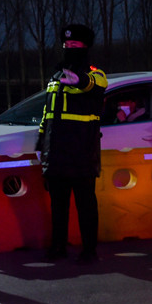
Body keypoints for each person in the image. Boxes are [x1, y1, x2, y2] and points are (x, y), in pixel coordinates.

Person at [36, 23, 108, 264]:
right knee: (58, 206)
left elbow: (93, 85)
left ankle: (89, 250)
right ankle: (58, 246)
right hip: (56, 151)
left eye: (74, 45)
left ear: (85, 47)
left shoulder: (96, 73)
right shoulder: (55, 76)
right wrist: (41, 141)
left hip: (81, 151)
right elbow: (48, 111)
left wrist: (79, 80)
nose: (69, 48)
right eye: (66, 45)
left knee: (85, 204)